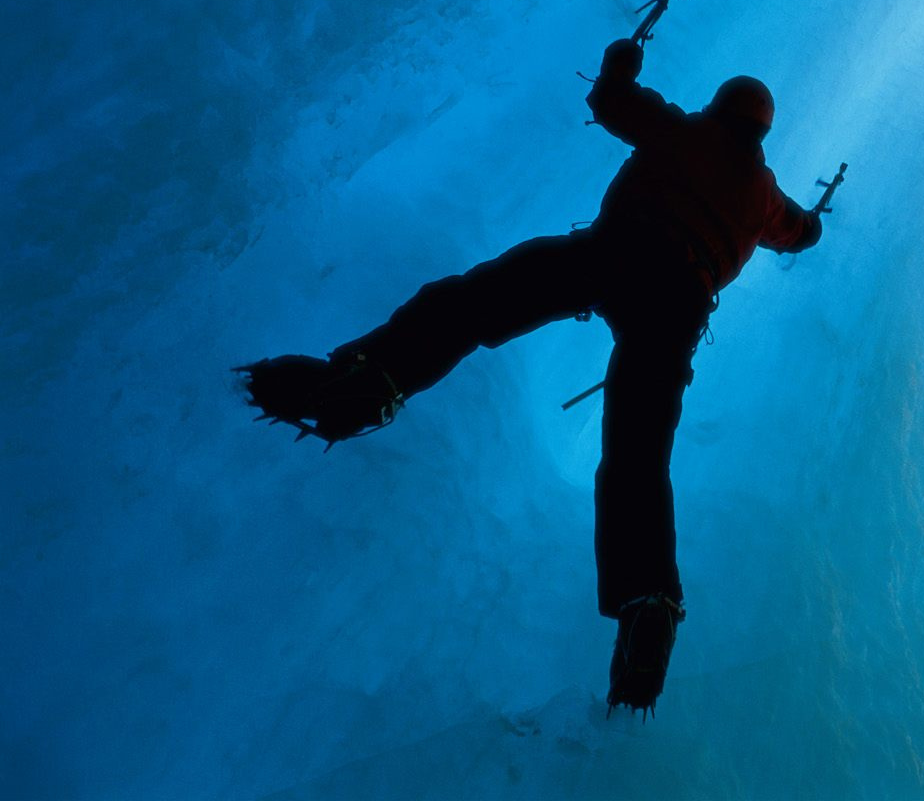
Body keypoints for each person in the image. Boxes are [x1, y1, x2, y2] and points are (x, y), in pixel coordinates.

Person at [236, 38, 823, 714]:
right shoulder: (763, 195)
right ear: (762, 131)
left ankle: (369, 382)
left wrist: (623, 58)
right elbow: (796, 230)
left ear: (720, 107)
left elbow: (610, 102)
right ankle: (648, 602)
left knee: (473, 303)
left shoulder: (681, 129)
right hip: (677, 308)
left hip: (613, 252)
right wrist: (811, 228)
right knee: (638, 453)